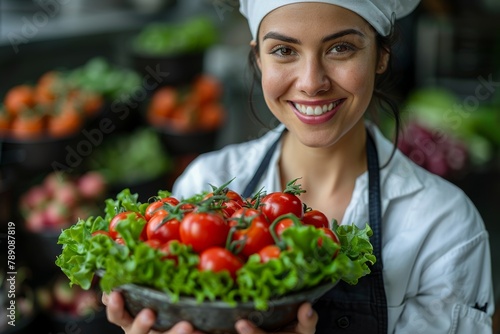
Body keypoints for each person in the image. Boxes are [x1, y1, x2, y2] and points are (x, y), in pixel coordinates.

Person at [102, 1, 495, 333]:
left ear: (382, 56)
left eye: (340, 48)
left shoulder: (443, 225)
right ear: (258, 58)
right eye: (285, 51)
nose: (311, 83)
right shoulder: (205, 181)